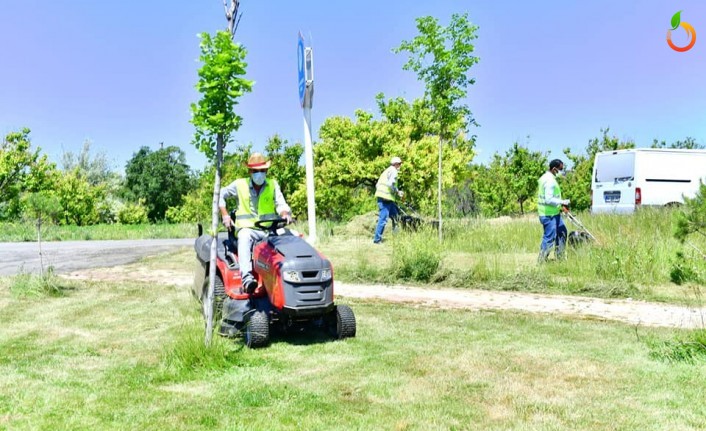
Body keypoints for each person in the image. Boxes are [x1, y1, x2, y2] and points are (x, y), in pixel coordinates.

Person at [219, 153, 293, 292]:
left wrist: (284, 213)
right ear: (250, 171)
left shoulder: (272, 184)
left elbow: (280, 203)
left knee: (292, 237)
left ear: (266, 171)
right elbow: (220, 193)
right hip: (248, 229)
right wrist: (225, 214)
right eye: (256, 171)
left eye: (262, 171)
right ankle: (247, 279)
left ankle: (287, 278)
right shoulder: (240, 184)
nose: (259, 174)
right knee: (245, 236)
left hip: (269, 230)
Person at [537, 159, 570, 262]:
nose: (561, 172)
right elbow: (548, 199)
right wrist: (562, 202)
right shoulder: (549, 180)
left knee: (562, 232)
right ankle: (541, 261)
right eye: (560, 169)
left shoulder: (546, 177)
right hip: (548, 215)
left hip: (554, 213)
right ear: (554, 169)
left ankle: (560, 258)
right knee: (550, 237)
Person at [373, 156, 403, 244]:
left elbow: (377, 185)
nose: (400, 166)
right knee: (383, 218)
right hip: (385, 199)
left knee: (396, 217)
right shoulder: (393, 171)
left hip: (386, 198)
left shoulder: (386, 171)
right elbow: (391, 184)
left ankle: (396, 238)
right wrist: (397, 192)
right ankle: (377, 240)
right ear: (396, 164)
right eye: (400, 164)